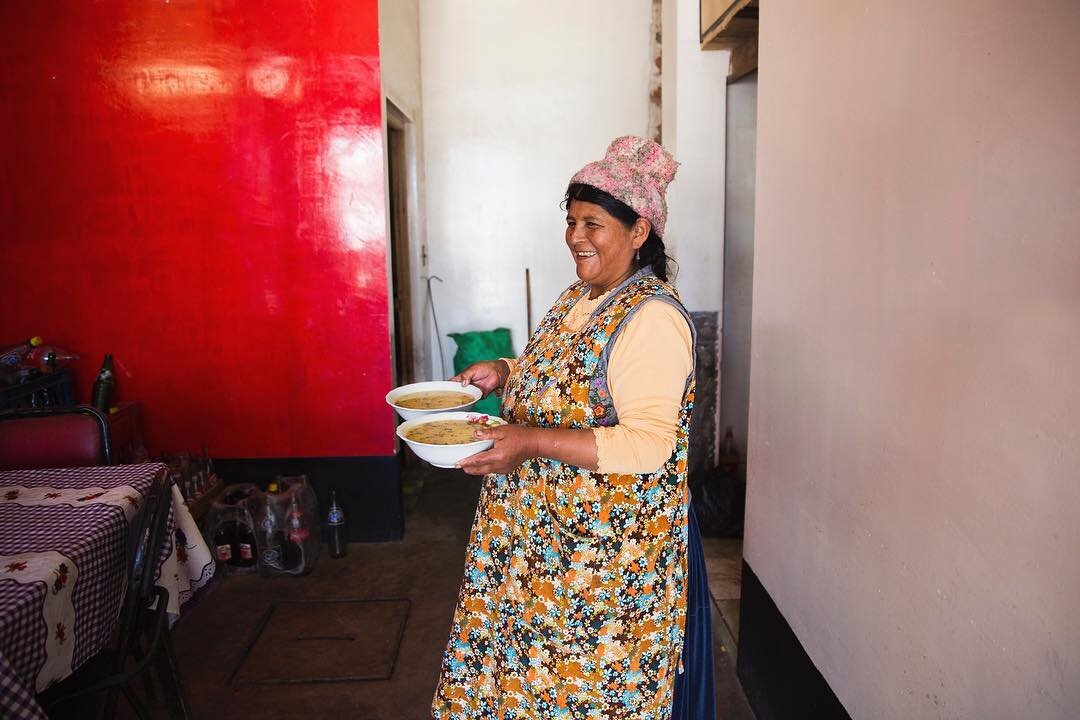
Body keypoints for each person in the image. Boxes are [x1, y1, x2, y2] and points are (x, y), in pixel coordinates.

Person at [433, 136, 714, 720]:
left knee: (579, 696)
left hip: (599, 569)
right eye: (571, 221)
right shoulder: (578, 297)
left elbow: (650, 444)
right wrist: (504, 372)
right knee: (518, 686)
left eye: (593, 223)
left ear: (639, 232)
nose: (575, 237)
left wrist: (529, 441)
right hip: (535, 551)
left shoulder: (653, 319)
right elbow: (567, 377)